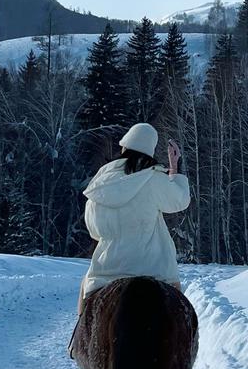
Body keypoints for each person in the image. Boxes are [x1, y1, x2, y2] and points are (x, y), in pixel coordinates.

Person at [77, 122, 190, 316]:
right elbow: (179, 201)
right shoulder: (153, 179)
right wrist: (174, 169)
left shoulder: (100, 185)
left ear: (124, 146)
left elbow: (94, 231)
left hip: (107, 270)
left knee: (85, 310)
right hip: (154, 269)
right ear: (150, 151)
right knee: (182, 314)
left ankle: (78, 336)